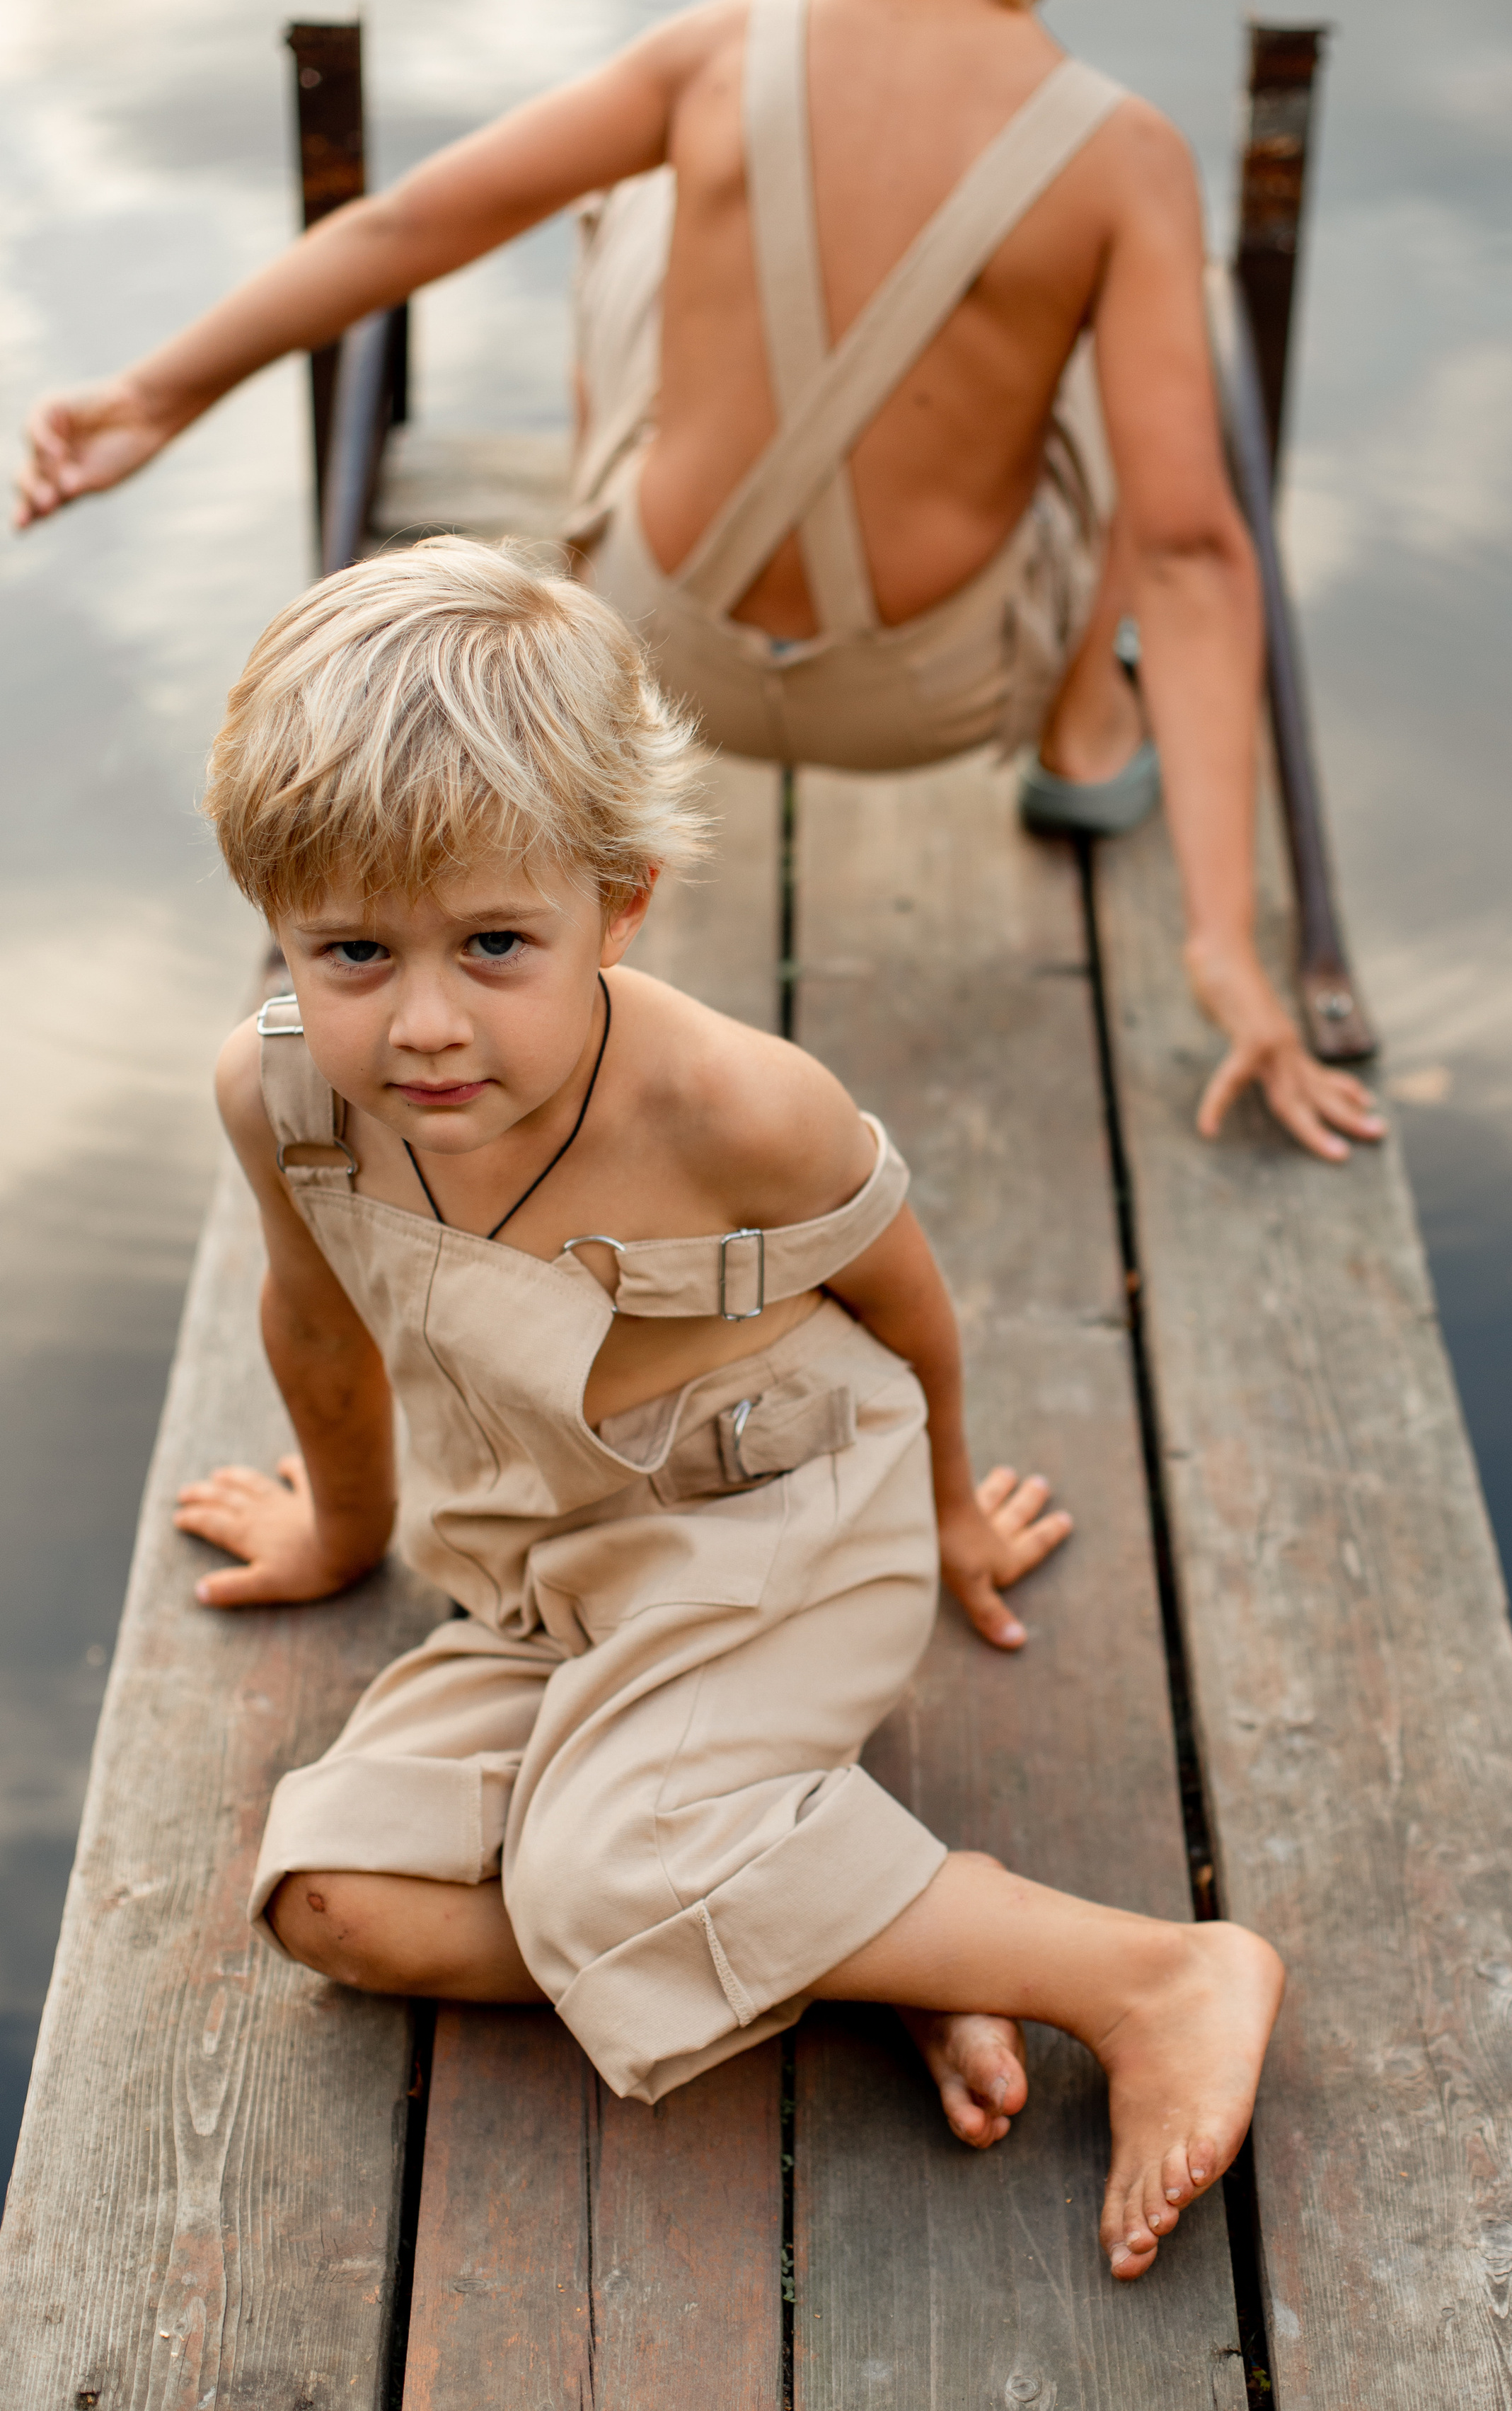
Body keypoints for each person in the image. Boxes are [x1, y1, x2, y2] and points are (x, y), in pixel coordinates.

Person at [173, 537, 1284, 2280]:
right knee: (330, 1898)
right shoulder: (286, 1099)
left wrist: (939, 1518)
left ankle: (1150, 1975)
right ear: (279, 926)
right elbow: (309, 1317)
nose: (425, 1022)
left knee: (592, 1883)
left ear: (618, 900)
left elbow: (904, 1301)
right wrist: (336, 1533)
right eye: (352, 952)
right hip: (553, 1560)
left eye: (492, 942)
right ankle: (881, 1942)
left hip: (775, 1519)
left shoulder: (734, 1110)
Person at [13, 0, 1383, 1165]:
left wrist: (157, 391)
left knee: (630, 190)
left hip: (655, 663)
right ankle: (1088, 735)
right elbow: (1194, 554)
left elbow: (407, 228)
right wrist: (1224, 949)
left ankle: (611, 550)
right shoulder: (1121, 152)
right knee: (1137, 366)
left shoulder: (716, 50)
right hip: (943, 694)